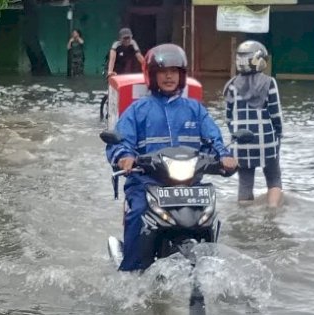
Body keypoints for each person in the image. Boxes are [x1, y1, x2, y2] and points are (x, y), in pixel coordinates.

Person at [105, 44, 238, 272]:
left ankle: (210, 265)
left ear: (182, 75)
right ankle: (131, 272)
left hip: (189, 185)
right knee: (137, 212)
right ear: (152, 75)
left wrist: (225, 156)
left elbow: (214, 138)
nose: (169, 76)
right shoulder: (139, 110)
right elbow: (121, 141)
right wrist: (124, 157)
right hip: (147, 182)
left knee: (211, 216)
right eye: (163, 71)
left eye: (174, 71)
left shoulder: (194, 109)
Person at [223, 40, 283, 208]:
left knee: (245, 183)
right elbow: (276, 115)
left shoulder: (232, 85)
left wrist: (236, 134)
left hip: (242, 142)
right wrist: (279, 135)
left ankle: (243, 218)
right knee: (273, 178)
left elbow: (228, 117)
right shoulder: (270, 82)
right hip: (267, 142)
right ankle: (272, 213)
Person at [100, 28, 145, 121]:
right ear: (120, 39)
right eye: (125, 38)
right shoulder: (116, 45)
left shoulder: (133, 44)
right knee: (111, 92)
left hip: (122, 70)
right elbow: (112, 60)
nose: (127, 40)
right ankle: (106, 112)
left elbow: (140, 57)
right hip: (111, 68)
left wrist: (148, 67)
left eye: (129, 38)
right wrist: (110, 72)